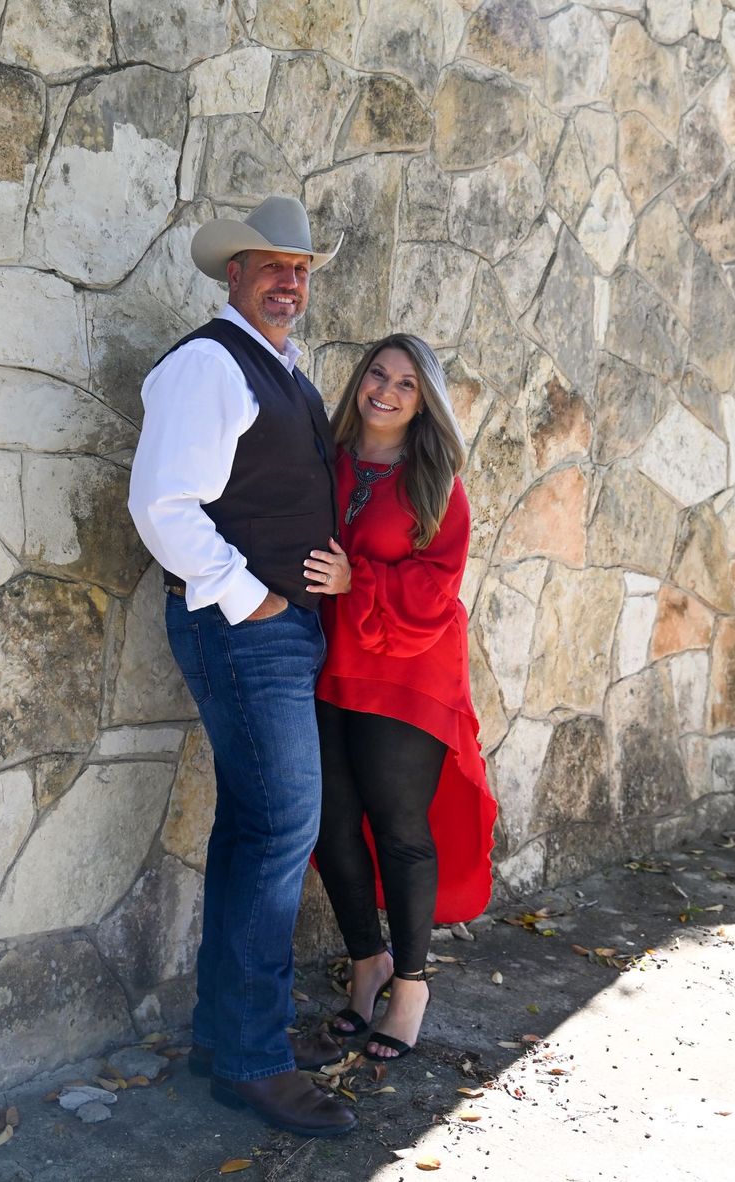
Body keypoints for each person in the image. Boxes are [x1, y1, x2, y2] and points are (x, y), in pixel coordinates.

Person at [127, 196, 356, 1137]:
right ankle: (254, 1061)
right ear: (234, 274)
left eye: (301, 269)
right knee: (278, 837)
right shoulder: (208, 366)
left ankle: (230, 1036)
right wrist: (248, 595)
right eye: (271, 265)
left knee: (252, 836)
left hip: (274, 632)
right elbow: (161, 506)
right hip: (245, 632)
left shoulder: (283, 372)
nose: (290, 282)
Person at [303, 334, 497, 1061]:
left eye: (406, 384)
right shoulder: (329, 458)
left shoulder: (435, 480)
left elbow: (437, 588)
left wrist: (360, 582)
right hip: (329, 664)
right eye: (377, 375)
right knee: (331, 824)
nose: (385, 391)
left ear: (425, 403)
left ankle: (410, 984)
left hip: (410, 672)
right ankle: (367, 963)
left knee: (398, 826)